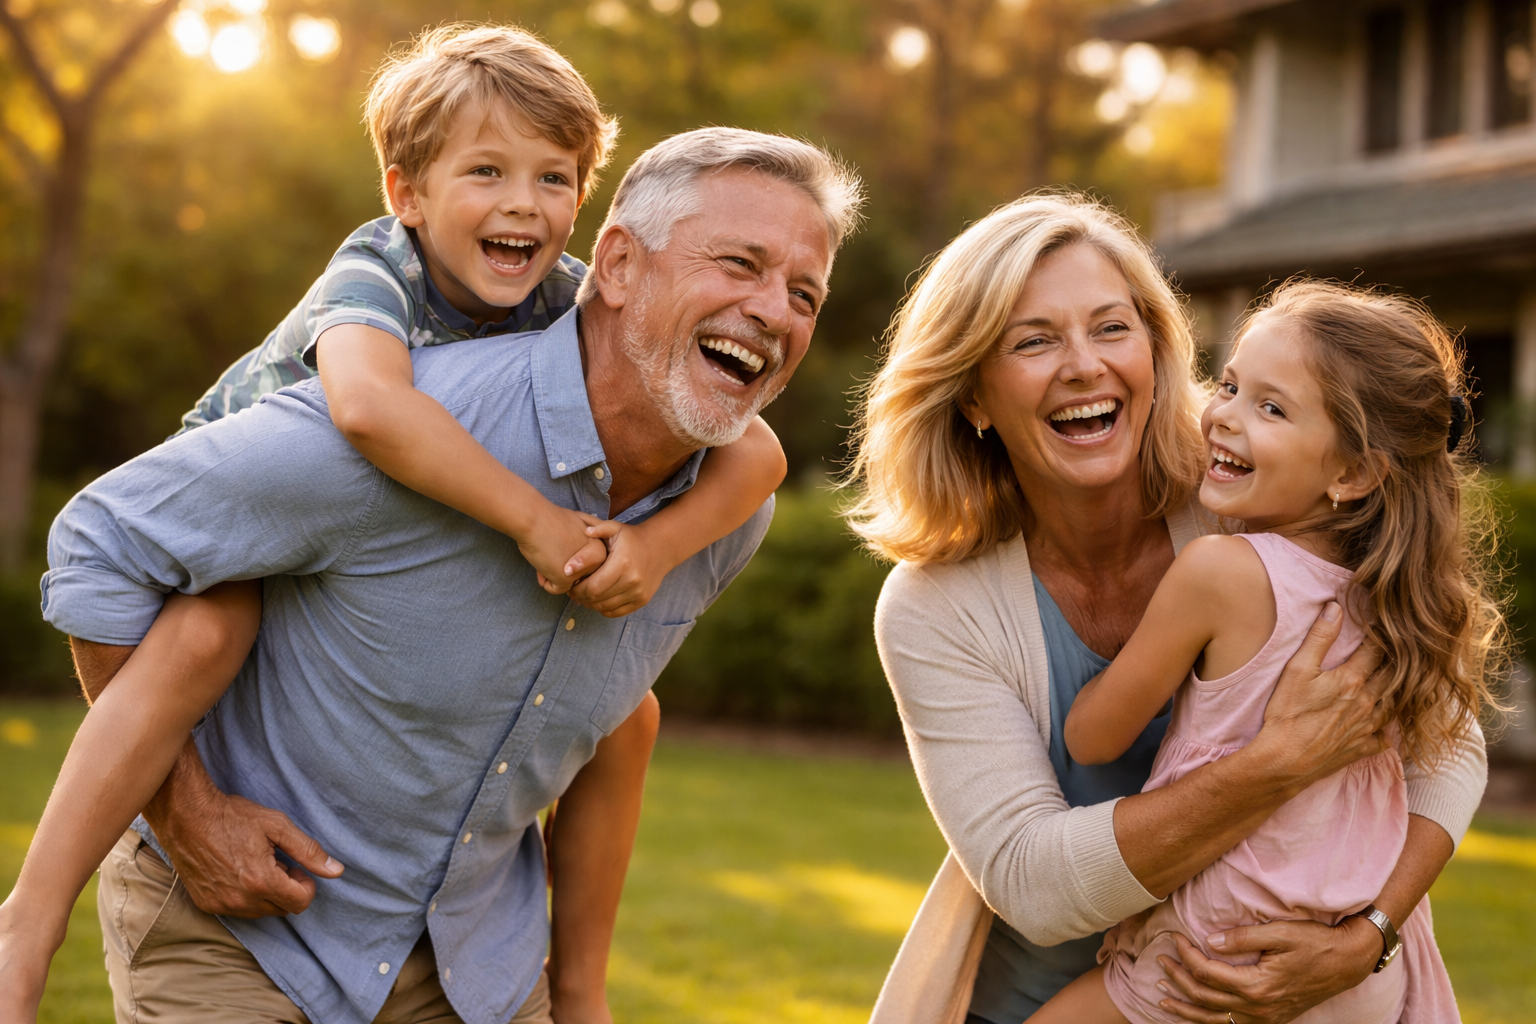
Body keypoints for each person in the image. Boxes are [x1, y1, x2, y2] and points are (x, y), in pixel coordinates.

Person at [0, 127, 864, 1024]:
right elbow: (100, 541)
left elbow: (614, 721)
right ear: (615, 265)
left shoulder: (723, 514)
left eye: (805, 293)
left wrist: (582, 996)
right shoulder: (406, 423)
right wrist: (188, 816)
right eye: (739, 264)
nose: (776, 312)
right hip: (243, 936)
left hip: (475, 964)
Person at [845, 194, 1487, 1024]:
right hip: (1075, 994)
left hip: (1295, 987)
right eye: (1034, 340)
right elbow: (1034, 885)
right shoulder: (936, 608)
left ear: (1155, 349)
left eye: (1112, 327)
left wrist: (1372, 929)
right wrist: (1272, 766)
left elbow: (1449, 740)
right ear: (972, 395)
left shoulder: (1251, 501)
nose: (1084, 365)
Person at [1028, 279, 1503, 1023]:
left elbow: (1094, 736)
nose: (1222, 418)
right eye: (1229, 385)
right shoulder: (1403, 605)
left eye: (1270, 408)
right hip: (1354, 958)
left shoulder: (1220, 572)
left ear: (1351, 474)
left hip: (1217, 950)